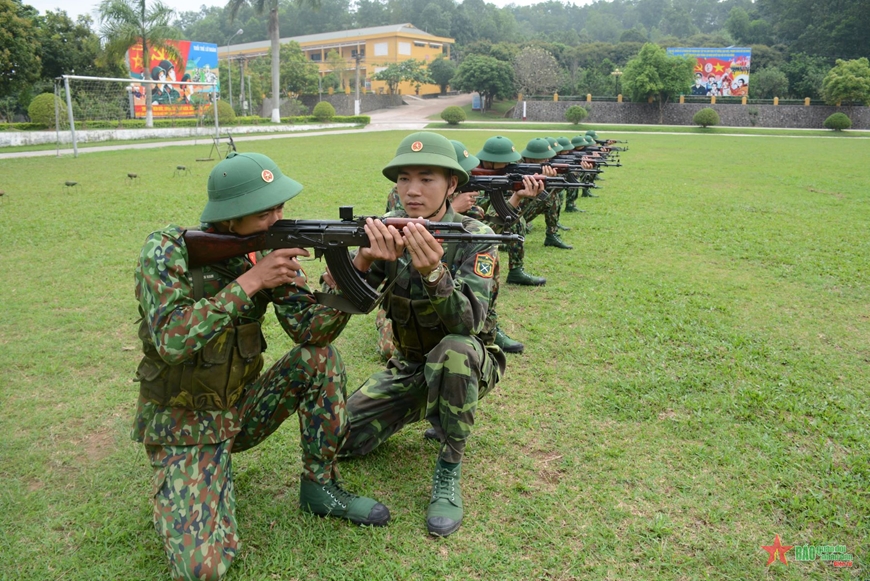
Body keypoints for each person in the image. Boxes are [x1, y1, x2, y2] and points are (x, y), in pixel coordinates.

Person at [133, 152, 389, 581]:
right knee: (203, 569)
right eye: (264, 210)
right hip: (185, 422)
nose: (278, 218)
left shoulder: (268, 252)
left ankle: (319, 485)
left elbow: (313, 333)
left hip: (240, 412)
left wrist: (358, 266)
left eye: (280, 206)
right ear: (229, 217)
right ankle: (190, 479)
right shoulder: (166, 251)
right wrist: (251, 281)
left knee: (319, 360)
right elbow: (171, 340)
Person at [340, 131, 506, 537]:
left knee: (456, 349)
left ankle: (449, 468)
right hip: (410, 366)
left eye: (427, 178)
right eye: (403, 179)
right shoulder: (388, 233)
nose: (412, 191)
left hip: (466, 363)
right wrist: (362, 259)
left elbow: (467, 325)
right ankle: (425, 405)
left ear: (452, 185)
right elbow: (352, 304)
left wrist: (434, 273)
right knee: (340, 440)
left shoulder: (476, 239)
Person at [475, 136, 548, 286]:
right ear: (489, 161)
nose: (509, 166)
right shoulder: (471, 179)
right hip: (469, 234)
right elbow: (483, 229)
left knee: (517, 220)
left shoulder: (499, 174)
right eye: (505, 163)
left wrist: (520, 193)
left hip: (484, 226)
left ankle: (516, 271)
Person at [519, 137, 573, 250]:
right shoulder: (516, 168)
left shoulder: (541, 167)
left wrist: (549, 180)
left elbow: (558, 190)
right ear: (532, 159)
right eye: (544, 159)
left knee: (551, 196)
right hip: (506, 215)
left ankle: (552, 235)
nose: (547, 161)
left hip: (520, 212)